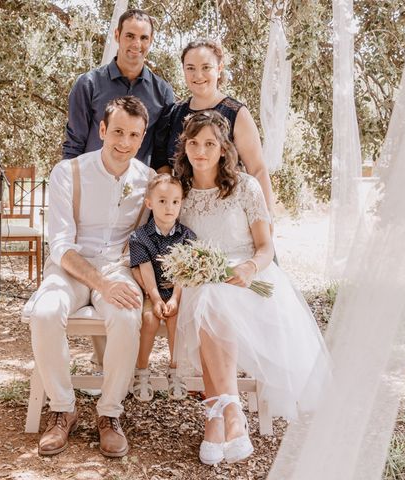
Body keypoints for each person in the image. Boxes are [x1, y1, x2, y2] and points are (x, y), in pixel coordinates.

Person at [172, 111, 330, 465]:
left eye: (210, 143)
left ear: (224, 148)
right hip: (200, 282)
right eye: (193, 143)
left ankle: (218, 414)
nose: (200, 151)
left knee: (211, 300)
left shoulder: (246, 187)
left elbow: (266, 248)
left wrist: (247, 268)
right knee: (208, 297)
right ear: (184, 147)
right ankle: (230, 414)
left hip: (251, 279)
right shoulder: (179, 190)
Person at [26, 96, 154, 458]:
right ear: (101, 130)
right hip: (71, 267)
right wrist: (101, 284)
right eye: (117, 132)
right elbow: (61, 246)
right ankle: (63, 408)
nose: (124, 143)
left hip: (119, 267)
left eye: (133, 135)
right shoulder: (68, 172)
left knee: (127, 315)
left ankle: (110, 413)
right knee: (45, 312)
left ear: (142, 137)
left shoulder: (148, 180)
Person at [152, 38, 276, 231]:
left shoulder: (237, 113)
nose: (198, 75)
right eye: (190, 68)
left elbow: (258, 169)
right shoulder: (173, 114)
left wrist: (267, 218)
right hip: (185, 216)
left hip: (229, 217)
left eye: (206, 67)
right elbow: (163, 168)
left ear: (219, 69)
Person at [62, 8, 174, 166]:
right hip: (91, 184)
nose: (136, 44)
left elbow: (160, 155)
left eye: (143, 38)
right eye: (130, 36)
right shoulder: (88, 84)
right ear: (117, 35)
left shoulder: (163, 93)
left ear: (151, 41)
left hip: (138, 189)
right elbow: (74, 145)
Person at [128, 174, 196, 402]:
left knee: (176, 320)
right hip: (152, 289)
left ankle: (175, 370)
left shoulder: (187, 236)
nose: (170, 207)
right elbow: (145, 270)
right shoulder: (140, 236)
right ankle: (142, 371)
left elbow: (185, 273)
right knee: (149, 319)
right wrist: (156, 298)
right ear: (149, 203)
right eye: (162, 201)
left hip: (179, 291)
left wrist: (175, 299)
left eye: (175, 202)